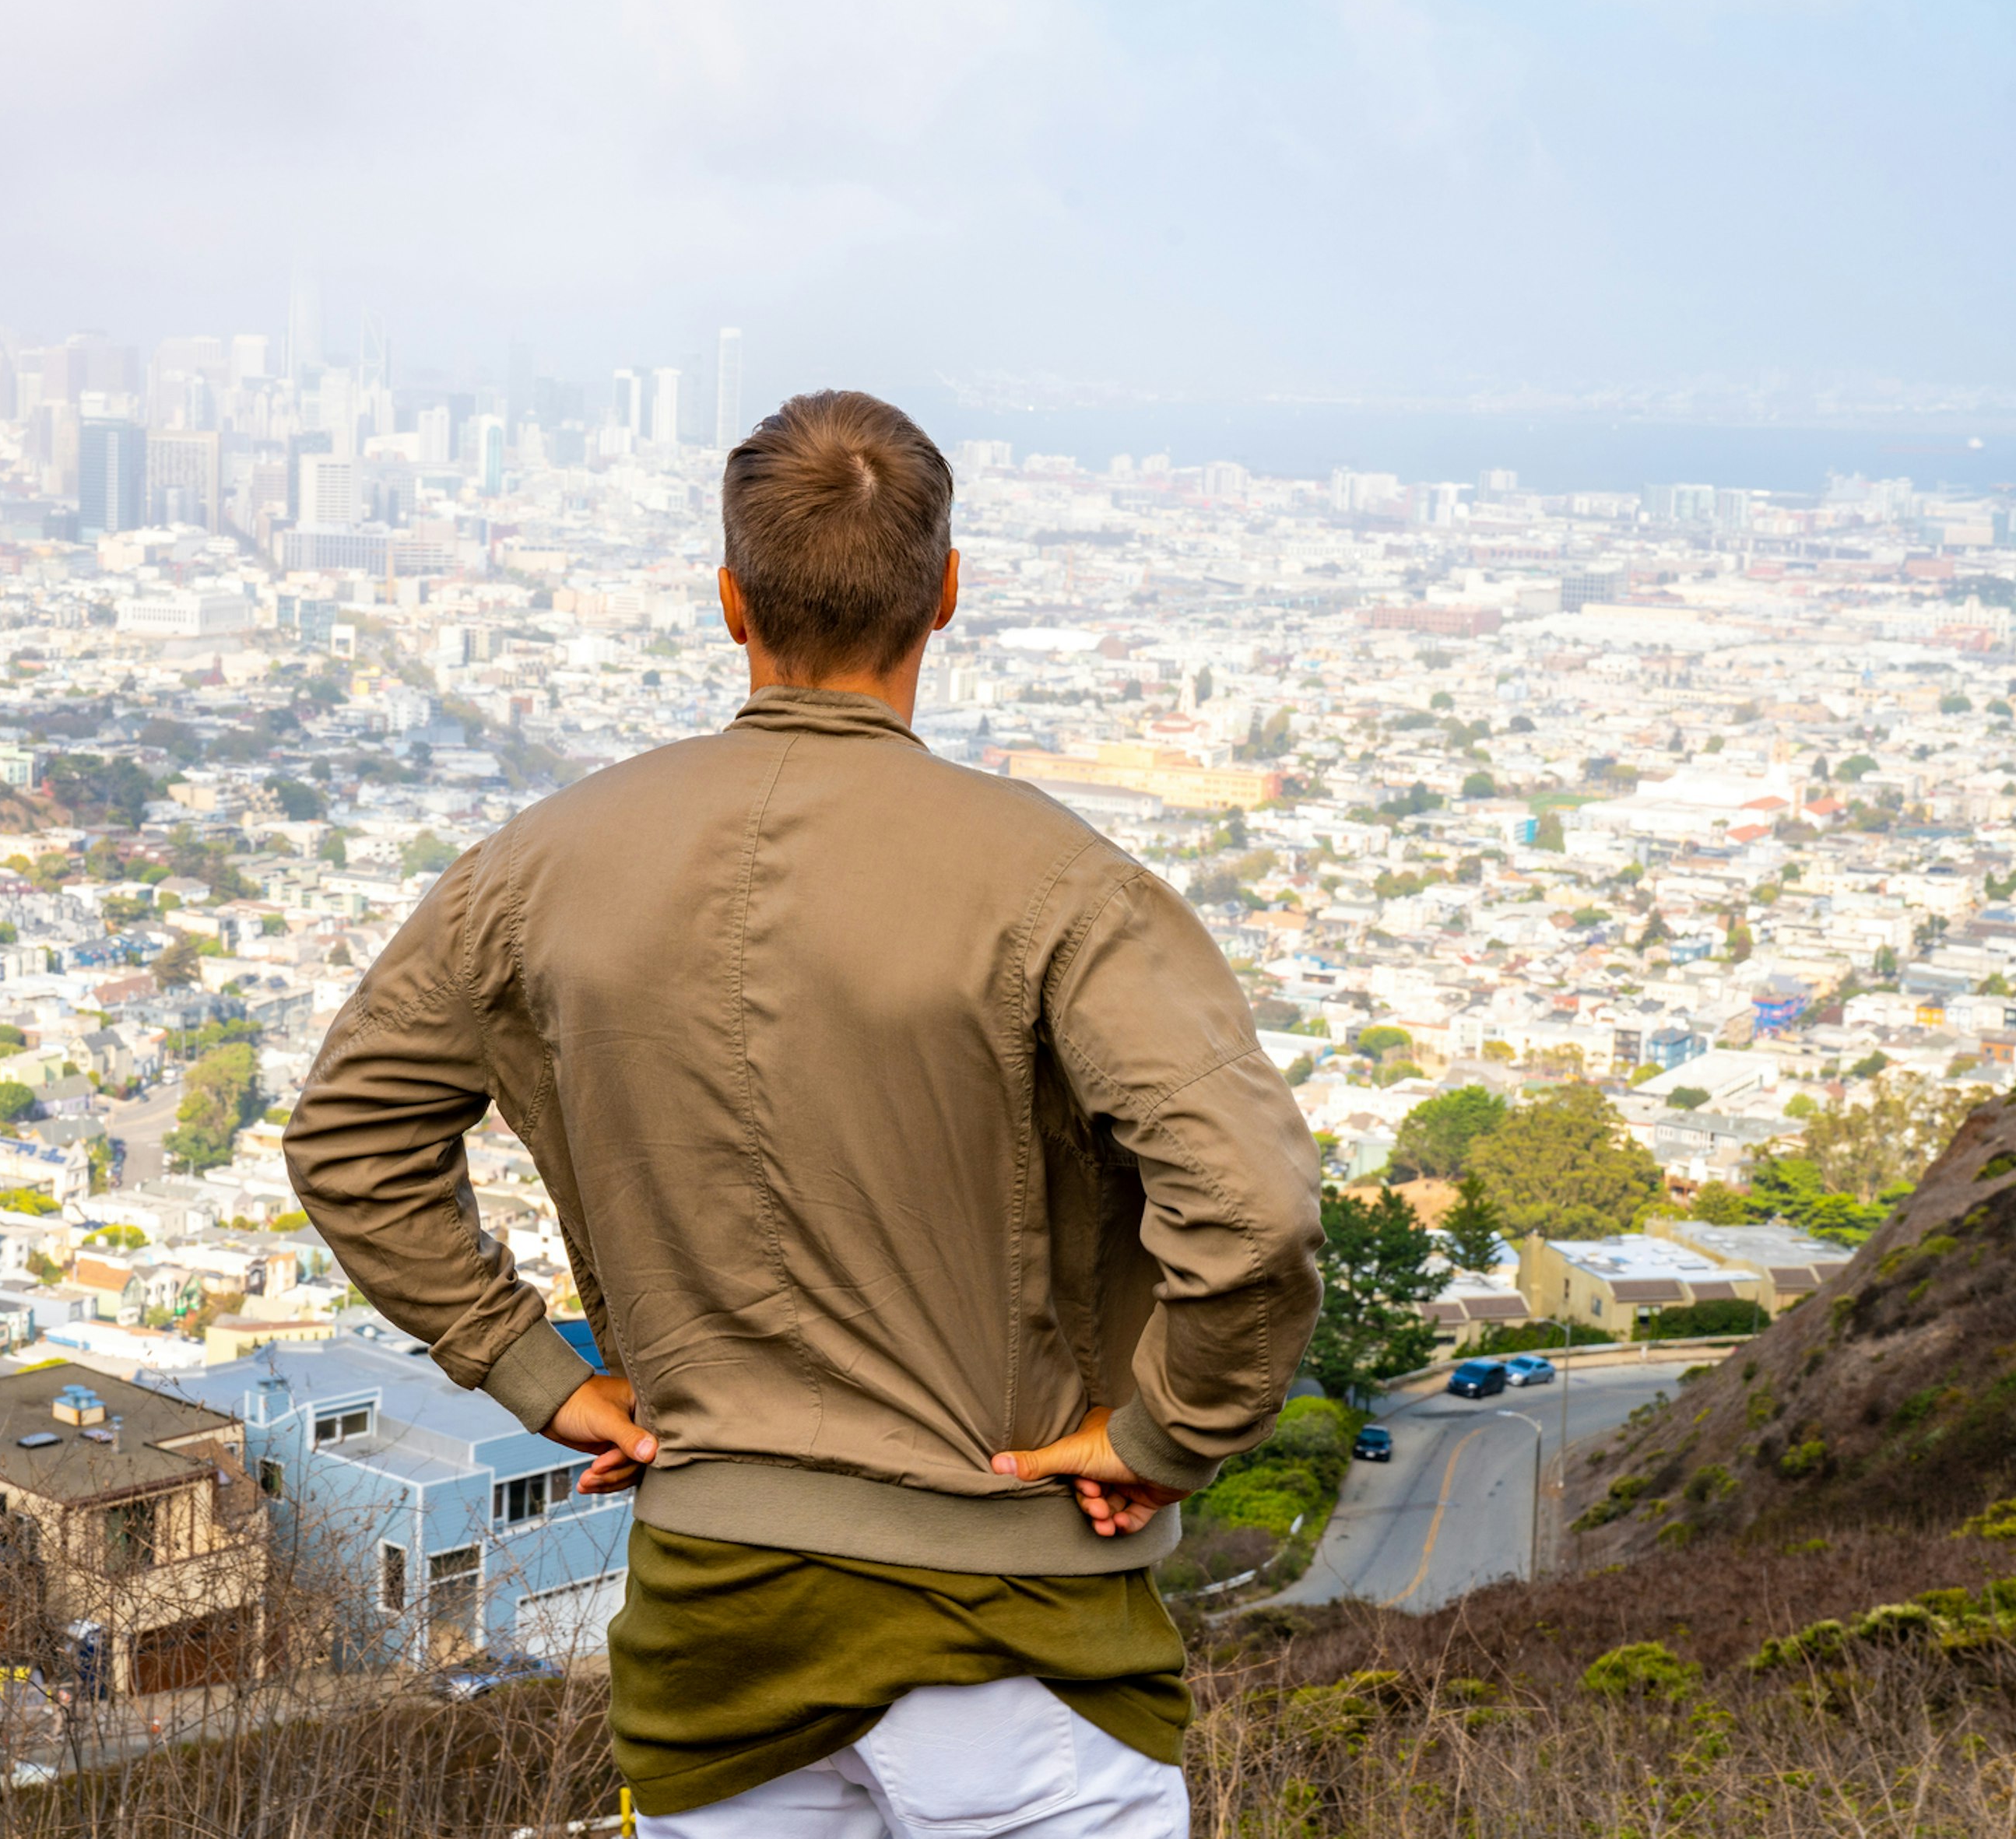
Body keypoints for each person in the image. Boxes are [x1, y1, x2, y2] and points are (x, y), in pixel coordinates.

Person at [286, 390, 1324, 1837]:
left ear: (731, 601)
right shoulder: (1057, 879)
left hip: (715, 1648)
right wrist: (1166, 1431)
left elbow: (350, 1136)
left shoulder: (537, 865)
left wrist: (540, 1374)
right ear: (945, 594)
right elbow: (1254, 1206)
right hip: (1020, 1641)